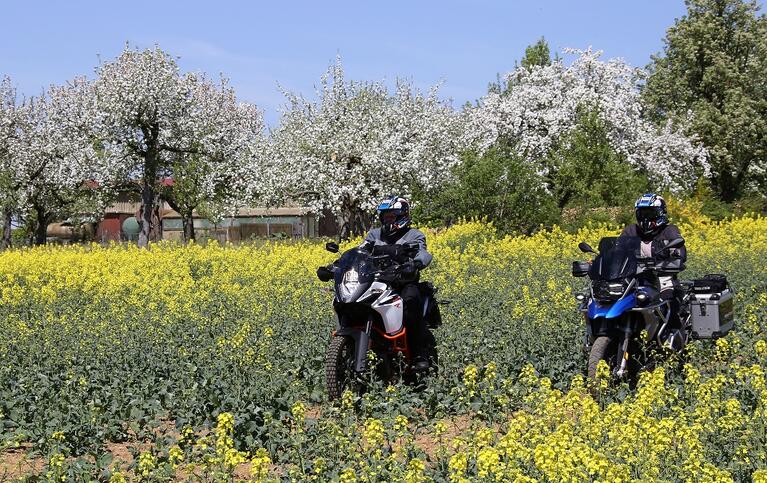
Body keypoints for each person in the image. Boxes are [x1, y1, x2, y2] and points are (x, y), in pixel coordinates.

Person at [362, 195, 433, 370]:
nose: (388, 219)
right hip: (377, 282)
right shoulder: (374, 234)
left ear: (402, 216)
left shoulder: (414, 235)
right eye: (385, 216)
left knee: (411, 303)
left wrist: (416, 263)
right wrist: (337, 265)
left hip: (403, 282)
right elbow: (360, 250)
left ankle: (418, 354)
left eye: (392, 216)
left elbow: (422, 252)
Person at [620, 193, 687, 330]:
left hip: (663, 278)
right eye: (642, 214)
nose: (645, 218)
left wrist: (671, 262)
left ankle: (674, 336)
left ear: (660, 213)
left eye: (650, 213)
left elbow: (679, 254)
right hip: (634, 280)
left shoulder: (669, 231)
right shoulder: (631, 231)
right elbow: (617, 250)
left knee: (668, 305)